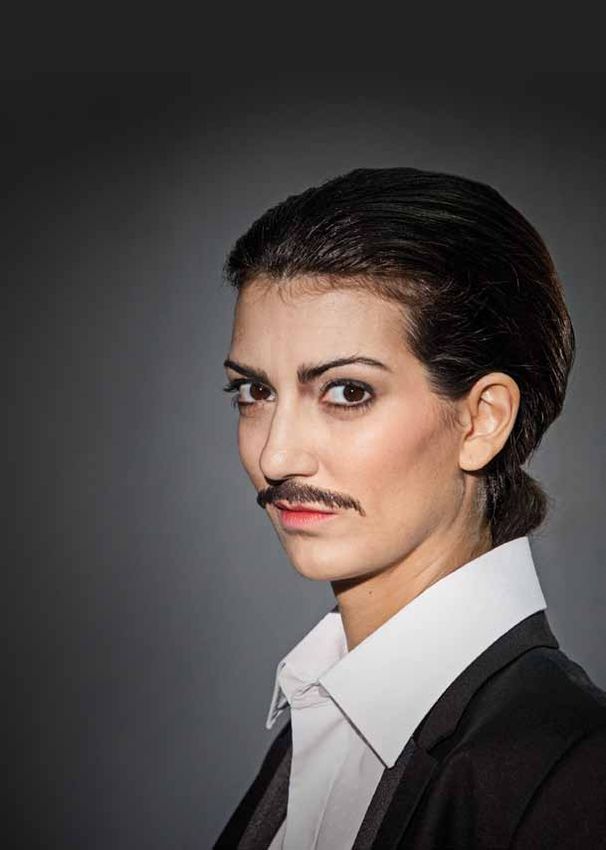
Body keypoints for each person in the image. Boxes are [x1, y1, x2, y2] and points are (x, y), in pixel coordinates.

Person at [212, 168, 606, 849]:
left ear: (482, 420)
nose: (275, 456)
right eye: (255, 392)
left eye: (347, 392)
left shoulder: (573, 774)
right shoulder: (321, 716)